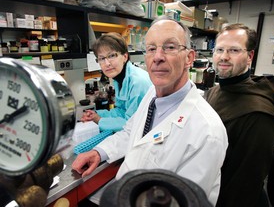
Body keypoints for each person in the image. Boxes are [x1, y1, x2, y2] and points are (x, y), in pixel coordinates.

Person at [72, 16, 228, 205]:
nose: (158, 57)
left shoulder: (207, 132)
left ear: (189, 58)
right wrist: (99, 152)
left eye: (170, 47)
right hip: (127, 192)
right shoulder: (152, 96)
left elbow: (185, 201)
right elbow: (130, 131)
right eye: (151, 49)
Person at [205, 23, 274, 207]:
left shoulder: (259, 116)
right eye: (219, 49)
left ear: (250, 56)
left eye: (233, 50)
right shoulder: (214, 92)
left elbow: (242, 190)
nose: (224, 57)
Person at [81, 32, 152, 132]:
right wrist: (97, 114)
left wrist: (99, 120)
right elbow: (122, 111)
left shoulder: (138, 82)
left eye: (111, 56)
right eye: (101, 58)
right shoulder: (120, 78)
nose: (107, 63)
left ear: (125, 57)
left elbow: (131, 123)